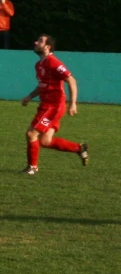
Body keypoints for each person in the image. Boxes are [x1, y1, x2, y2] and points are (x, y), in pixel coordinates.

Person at [21, 34, 88, 175]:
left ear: (47, 47)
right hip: (46, 105)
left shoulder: (53, 62)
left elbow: (72, 81)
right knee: (45, 141)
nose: (35, 42)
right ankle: (79, 148)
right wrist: (30, 96)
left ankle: (32, 167)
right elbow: (43, 86)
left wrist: (73, 104)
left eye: (40, 41)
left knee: (31, 133)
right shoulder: (39, 64)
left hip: (54, 106)